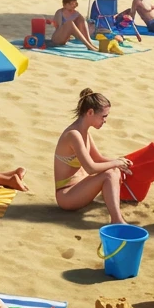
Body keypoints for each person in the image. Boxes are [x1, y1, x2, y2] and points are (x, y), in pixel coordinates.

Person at [54, 89, 131, 225]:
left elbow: (98, 159)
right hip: (67, 196)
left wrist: (121, 162)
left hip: (81, 188)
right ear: (90, 112)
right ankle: (117, 220)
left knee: (115, 170)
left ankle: (115, 210)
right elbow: (90, 168)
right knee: (110, 173)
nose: (105, 121)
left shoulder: (84, 133)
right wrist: (115, 163)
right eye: (104, 116)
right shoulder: (74, 135)